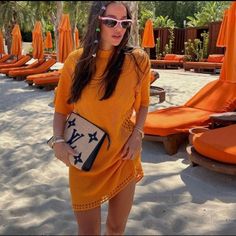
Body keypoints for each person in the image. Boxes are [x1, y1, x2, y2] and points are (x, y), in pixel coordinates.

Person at [52, 1, 151, 235]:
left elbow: (144, 103)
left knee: (117, 228)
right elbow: (61, 109)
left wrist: (137, 135)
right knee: (88, 232)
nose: (119, 28)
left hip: (122, 155)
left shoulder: (138, 61)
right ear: (98, 22)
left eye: (125, 22)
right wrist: (58, 141)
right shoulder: (75, 61)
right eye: (111, 22)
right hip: (84, 157)